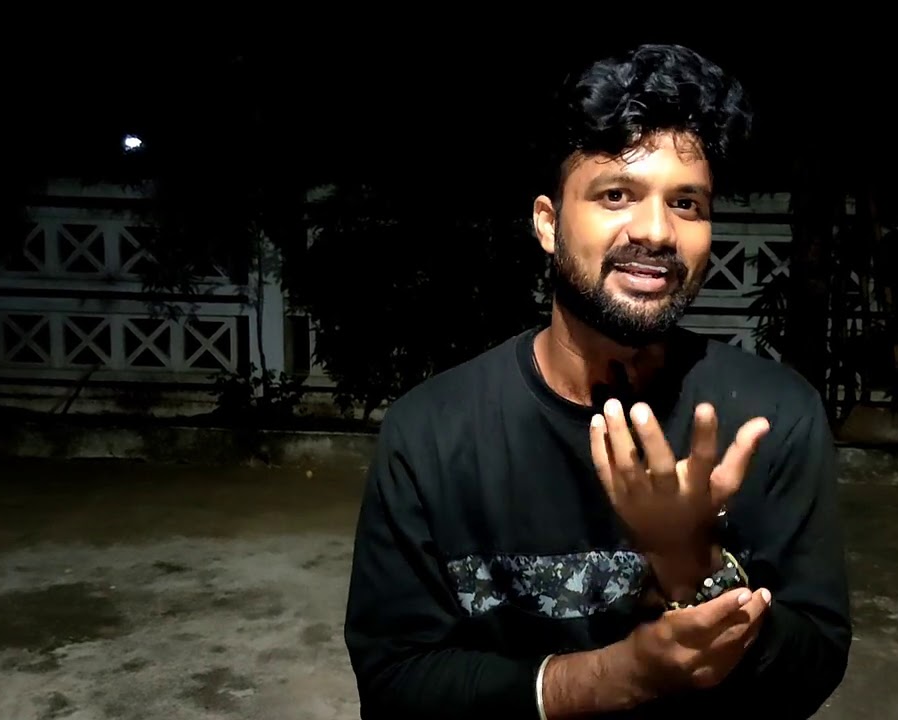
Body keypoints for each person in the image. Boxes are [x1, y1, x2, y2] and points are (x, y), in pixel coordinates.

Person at [343, 43, 852, 719]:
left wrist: (691, 564)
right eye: (616, 195)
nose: (656, 231)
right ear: (548, 223)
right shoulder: (432, 432)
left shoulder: (774, 418)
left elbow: (811, 669)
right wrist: (618, 675)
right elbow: (395, 682)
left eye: (687, 203)